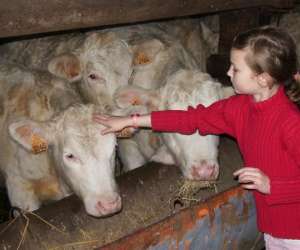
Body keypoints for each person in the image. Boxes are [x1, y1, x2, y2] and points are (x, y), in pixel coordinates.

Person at [93, 26, 300, 249]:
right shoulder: (239, 108)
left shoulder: (291, 123)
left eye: (236, 69)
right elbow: (190, 119)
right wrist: (130, 121)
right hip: (271, 226)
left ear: (262, 79)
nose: (228, 73)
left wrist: (272, 187)